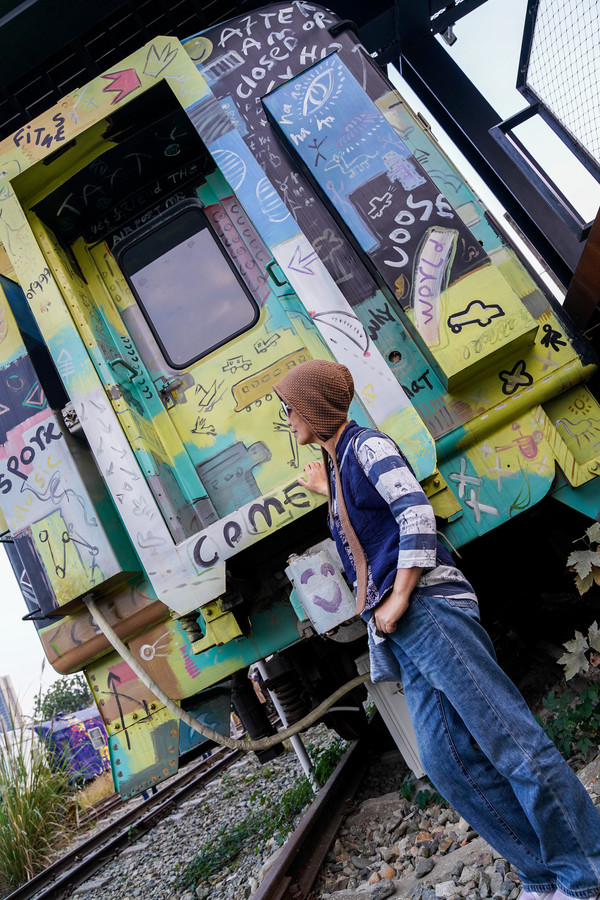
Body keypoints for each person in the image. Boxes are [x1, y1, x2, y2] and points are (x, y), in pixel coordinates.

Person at [274, 358, 600, 900]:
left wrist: (400, 595)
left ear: (314, 406)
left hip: (426, 608)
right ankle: (543, 874)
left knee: (512, 742)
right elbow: (366, 520)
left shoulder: (368, 446)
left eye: (289, 407)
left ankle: (585, 874)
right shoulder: (341, 463)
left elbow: (414, 513)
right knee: (446, 764)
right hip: (405, 628)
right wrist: (327, 488)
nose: (286, 419)